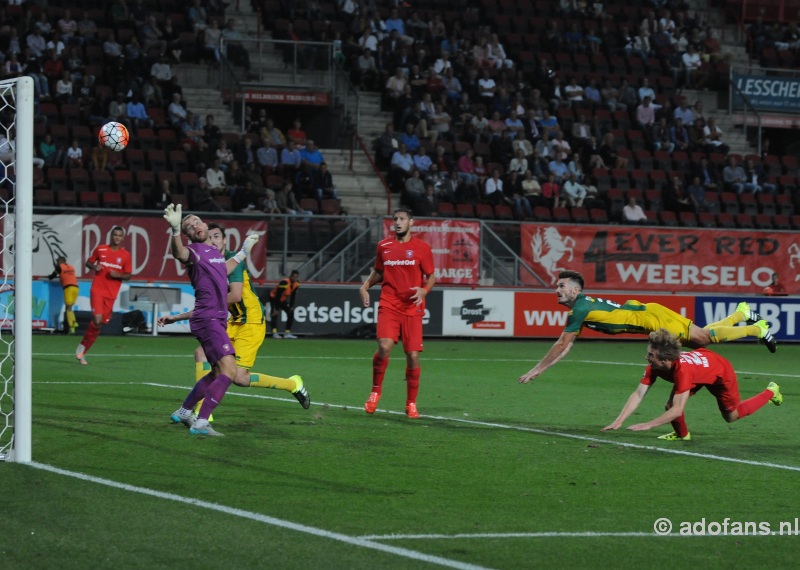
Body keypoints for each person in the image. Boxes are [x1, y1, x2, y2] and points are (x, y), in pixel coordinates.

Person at [158, 223, 310, 418]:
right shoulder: (211, 262)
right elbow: (210, 302)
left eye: (217, 237)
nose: (213, 240)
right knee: (202, 354)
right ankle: (198, 412)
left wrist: (188, 314)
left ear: (224, 240)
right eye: (210, 237)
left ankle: (292, 384)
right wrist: (178, 317)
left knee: (239, 377)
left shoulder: (230, 260)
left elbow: (235, 296)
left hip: (251, 321)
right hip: (234, 320)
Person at [518, 270, 777, 384]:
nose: (557, 290)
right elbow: (566, 346)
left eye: (561, 286)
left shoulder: (581, 308)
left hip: (653, 319)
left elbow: (563, 344)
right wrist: (543, 369)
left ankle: (757, 329)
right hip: (649, 315)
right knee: (700, 338)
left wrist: (537, 368)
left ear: (575, 290)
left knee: (705, 339)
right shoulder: (582, 307)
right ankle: (741, 313)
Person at [163, 205, 259, 436]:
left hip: (213, 319)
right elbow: (179, 254)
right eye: (189, 226)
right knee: (229, 370)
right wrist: (176, 230)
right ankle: (201, 421)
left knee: (216, 372)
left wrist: (244, 251)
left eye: (197, 222)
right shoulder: (193, 251)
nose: (195, 226)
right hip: (208, 320)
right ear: (188, 234)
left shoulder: (215, 254)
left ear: (206, 225)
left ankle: (185, 411)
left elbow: (225, 269)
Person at [601, 329, 782, 440]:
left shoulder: (682, 371)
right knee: (670, 405)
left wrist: (648, 424)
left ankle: (771, 391)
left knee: (731, 416)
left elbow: (678, 410)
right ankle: (683, 435)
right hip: (700, 368)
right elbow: (639, 393)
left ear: (664, 360)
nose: (646, 357)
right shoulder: (654, 366)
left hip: (720, 372)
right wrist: (619, 420)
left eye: (650, 355)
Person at [359, 207, 435, 419]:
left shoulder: (422, 248)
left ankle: (411, 403)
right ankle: (375, 391)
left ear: (411, 222)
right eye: (395, 219)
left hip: (412, 306)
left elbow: (431, 276)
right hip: (389, 303)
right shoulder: (384, 246)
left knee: (412, 356)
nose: (398, 222)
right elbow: (379, 271)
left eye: (402, 219)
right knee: (384, 346)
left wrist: (424, 290)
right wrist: (365, 286)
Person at [75, 227, 133, 365]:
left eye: (119, 235)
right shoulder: (101, 249)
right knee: (97, 319)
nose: (117, 238)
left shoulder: (125, 255)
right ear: (111, 236)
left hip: (111, 294)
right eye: (115, 235)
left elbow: (128, 275)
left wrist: (118, 275)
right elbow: (89, 262)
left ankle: (83, 348)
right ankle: (82, 347)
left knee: (100, 323)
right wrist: (95, 267)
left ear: (122, 238)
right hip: (97, 290)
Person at [48, 256, 79, 334]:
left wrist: (49, 277)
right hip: (76, 288)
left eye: (58, 261)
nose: (57, 262)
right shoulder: (71, 267)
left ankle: (73, 324)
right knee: (70, 308)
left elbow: (52, 276)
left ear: (61, 261)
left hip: (68, 288)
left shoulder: (60, 267)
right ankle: (73, 327)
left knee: (68, 308)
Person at [269, 270, 300, 339]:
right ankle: (274, 333)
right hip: (274, 298)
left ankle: (287, 333)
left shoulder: (296, 284)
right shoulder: (284, 282)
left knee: (290, 313)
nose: (294, 279)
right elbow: (278, 295)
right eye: (293, 277)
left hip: (282, 299)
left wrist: (291, 306)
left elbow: (293, 295)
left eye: (296, 277)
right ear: (290, 276)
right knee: (275, 314)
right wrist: (276, 308)